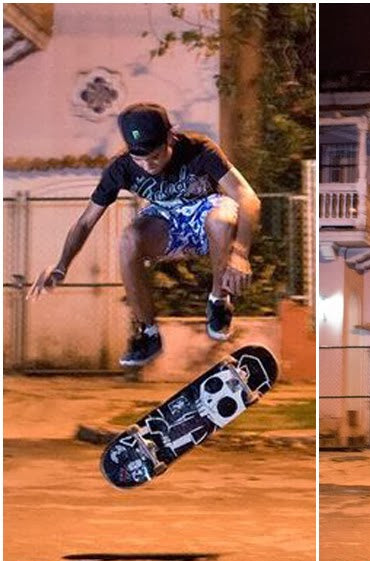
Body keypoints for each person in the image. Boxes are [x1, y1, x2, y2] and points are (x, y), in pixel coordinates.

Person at [27, 102, 260, 367]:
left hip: (205, 211)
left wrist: (240, 253)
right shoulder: (121, 168)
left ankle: (218, 300)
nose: (149, 166)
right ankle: (147, 333)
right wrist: (61, 266)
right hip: (164, 222)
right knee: (128, 239)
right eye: (140, 159)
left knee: (221, 218)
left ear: (170, 137)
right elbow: (85, 222)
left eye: (156, 156)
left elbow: (247, 196)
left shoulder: (200, 150)